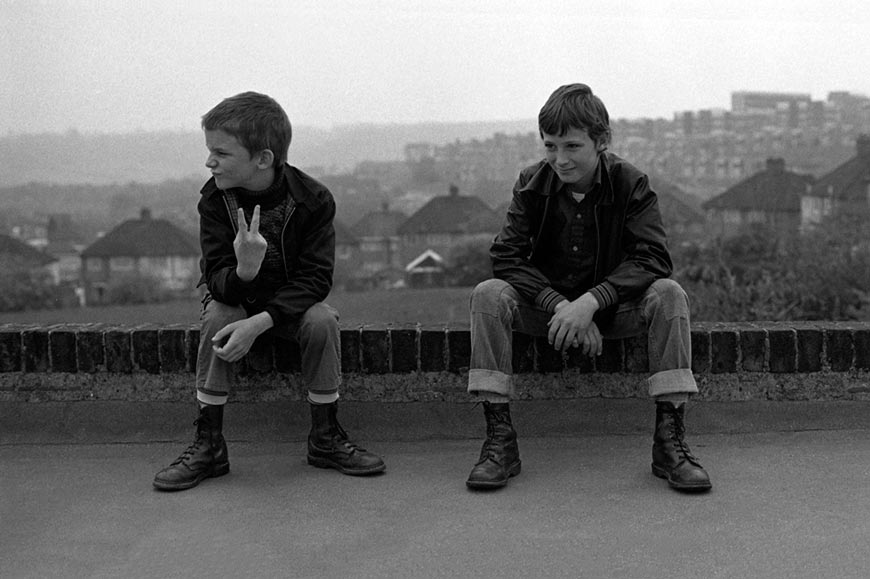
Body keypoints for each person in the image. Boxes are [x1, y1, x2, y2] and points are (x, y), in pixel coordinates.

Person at [464, 83, 711, 493]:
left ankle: (669, 443)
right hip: (549, 313)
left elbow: (652, 257)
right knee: (488, 294)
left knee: (670, 294)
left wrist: (593, 302)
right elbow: (506, 256)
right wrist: (563, 306)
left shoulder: (631, 183)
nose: (559, 160)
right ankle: (500, 443)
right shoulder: (531, 183)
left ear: (602, 141)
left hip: (615, 311)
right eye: (550, 147)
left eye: (572, 147)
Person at [153, 92, 384, 491]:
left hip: (287, 313)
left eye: (221, 153)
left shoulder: (313, 200)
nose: (209, 162)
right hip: (236, 307)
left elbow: (316, 281)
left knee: (322, 320)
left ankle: (325, 438)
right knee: (220, 316)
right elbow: (215, 279)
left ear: (262, 158)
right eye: (210, 151)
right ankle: (209, 445)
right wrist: (244, 271)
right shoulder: (215, 200)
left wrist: (260, 322)